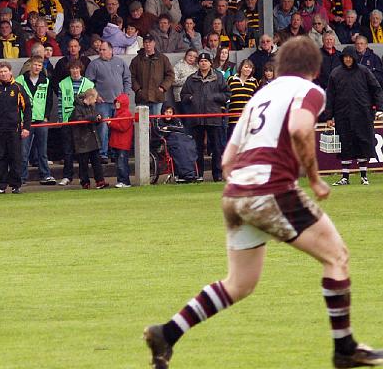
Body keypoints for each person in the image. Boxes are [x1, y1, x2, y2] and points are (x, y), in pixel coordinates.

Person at [144, 36, 383, 369]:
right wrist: (314, 179)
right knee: (337, 256)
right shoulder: (309, 91)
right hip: (269, 189)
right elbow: (301, 131)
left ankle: (167, 333)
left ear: (280, 66)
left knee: (239, 284)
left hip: (235, 194)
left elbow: (227, 159)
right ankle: (344, 348)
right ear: (314, 70)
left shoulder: (260, 97)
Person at [326, 45, 383, 187]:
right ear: (342, 58)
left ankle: (364, 176)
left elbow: (376, 89)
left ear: (354, 58)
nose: (347, 59)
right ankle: (345, 177)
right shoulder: (335, 73)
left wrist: (380, 109)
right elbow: (330, 96)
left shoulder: (364, 71)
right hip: (342, 115)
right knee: (345, 146)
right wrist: (328, 116)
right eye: (345, 57)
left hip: (363, 115)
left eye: (350, 57)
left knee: (362, 144)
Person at [180, 52, 230, 181]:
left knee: (217, 148)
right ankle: (198, 174)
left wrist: (215, 97)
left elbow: (227, 94)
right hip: (196, 118)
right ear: (198, 63)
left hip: (214, 117)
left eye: (206, 61)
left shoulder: (218, 77)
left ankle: (217, 174)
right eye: (201, 61)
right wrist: (191, 98)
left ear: (210, 63)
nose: (203, 63)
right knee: (197, 148)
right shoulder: (191, 79)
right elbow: (183, 95)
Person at [0, 61, 31, 194]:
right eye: (1, 72)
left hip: (14, 130)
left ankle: (16, 185)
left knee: (16, 158)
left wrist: (26, 127)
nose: (3, 74)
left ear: (10, 72)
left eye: (5, 71)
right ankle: (0, 186)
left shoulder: (18, 88)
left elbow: (27, 108)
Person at [85, 41, 132, 162]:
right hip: (102, 102)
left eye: (103, 49)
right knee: (103, 128)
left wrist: (125, 94)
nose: (101, 51)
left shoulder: (120, 62)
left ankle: (114, 152)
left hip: (119, 104)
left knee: (117, 128)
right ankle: (103, 153)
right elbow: (89, 83)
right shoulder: (94, 64)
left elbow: (127, 79)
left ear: (111, 50)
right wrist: (96, 96)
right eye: (100, 49)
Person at [15, 56, 56, 186]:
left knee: (42, 151)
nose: (37, 67)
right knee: (23, 151)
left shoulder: (46, 81)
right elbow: (15, 102)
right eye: (35, 64)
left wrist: (46, 116)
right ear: (30, 65)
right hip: (25, 121)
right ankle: (21, 177)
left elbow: (49, 100)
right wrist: (19, 118)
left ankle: (45, 175)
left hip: (41, 119)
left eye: (40, 65)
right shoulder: (20, 80)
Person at [57, 61, 94, 186]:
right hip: (68, 121)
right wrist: (61, 119)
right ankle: (67, 176)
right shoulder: (63, 83)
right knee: (67, 150)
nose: (75, 71)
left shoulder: (89, 84)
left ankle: (84, 178)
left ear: (81, 69)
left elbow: (92, 103)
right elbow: (60, 103)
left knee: (83, 151)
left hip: (82, 122)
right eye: (72, 68)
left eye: (77, 68)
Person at [70, 88, 108, 189]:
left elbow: (93, 116)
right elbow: (78, 120)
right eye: (95, 98)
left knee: (96, 161)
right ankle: (85, 182)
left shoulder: (91, 107)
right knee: (83, 163)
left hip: (92, 138)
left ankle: (100, 180)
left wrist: (98, 118)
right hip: (82, 140)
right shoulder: (77, 108)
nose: (95, 101)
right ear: (90, 97)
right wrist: (92, 118)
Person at [129, 34, 174, 115]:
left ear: (154, 43)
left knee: (156, 123)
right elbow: (131, 76)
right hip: (141, 99)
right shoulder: (136, 60)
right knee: (141, 125)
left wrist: (163, 88)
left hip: (157, 98)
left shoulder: (163, 59)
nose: (148, 44)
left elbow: (170, 75)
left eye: (150, 42)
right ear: (143, 44)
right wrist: (138, 90)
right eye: (145, 42)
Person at [226, 59, 258, 139]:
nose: (248, 69)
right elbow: (225, 95)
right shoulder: (231, 79)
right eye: (246, 67)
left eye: (250, 68)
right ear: (241, 68)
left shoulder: (254, 82)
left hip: (248, 119)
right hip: (233, 118)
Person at [109, 93, 133, 188]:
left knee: (122, 164)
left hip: (122, 144)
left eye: (118, 102)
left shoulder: (126, 114)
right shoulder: (118, 113)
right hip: (118, 143)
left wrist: (111, 123)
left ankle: (125, 181)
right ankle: (121, 181)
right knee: (119, 164)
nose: (116, 104)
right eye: (116, 102)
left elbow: (122, 127)